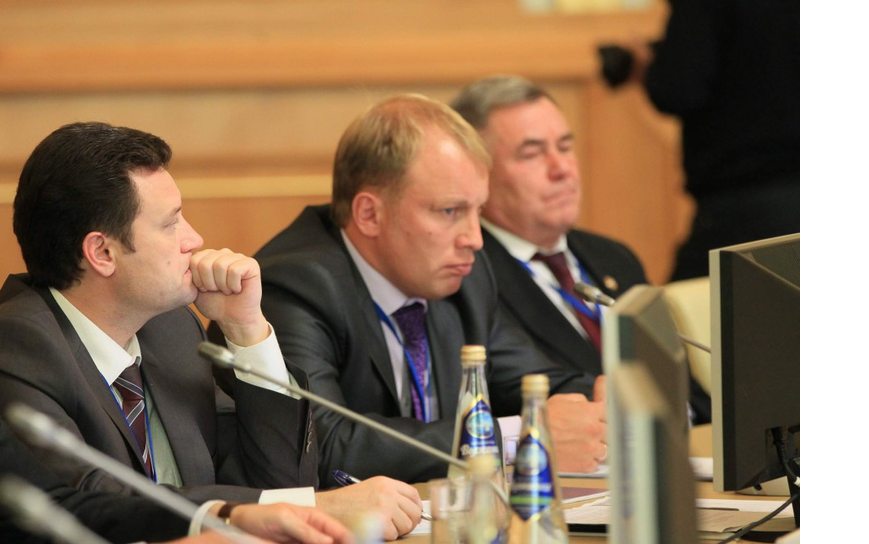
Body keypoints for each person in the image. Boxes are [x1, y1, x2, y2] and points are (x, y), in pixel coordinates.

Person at [0, 122, 421, 540]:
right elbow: (97, 506)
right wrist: (311, 508)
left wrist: (246, 329)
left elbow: (276, 482)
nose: (194, 239)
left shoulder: (170, 331)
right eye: (171, 224)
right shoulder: (14, 352)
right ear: (102, 253)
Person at [247, 94, 604, 484]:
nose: (474, 239)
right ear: (369, 214)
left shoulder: (464, 279)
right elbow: (325, 446)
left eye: (477, 211)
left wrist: (608, 398)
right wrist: (514, 437)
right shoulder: (296, 286)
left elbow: (534, 383)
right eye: (450, 211)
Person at [449, 75, 710, 424]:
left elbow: (683, 387)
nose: (562, 169)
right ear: (478, 174)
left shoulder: (613, 257)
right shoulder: (469, 274)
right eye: (532, 154)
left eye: (565, 146)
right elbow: (528, 392)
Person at [628, 0, 800, 281]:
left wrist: (648, 67)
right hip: (771, 192)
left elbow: (678, 90)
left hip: (744, 199)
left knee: (683, 307)